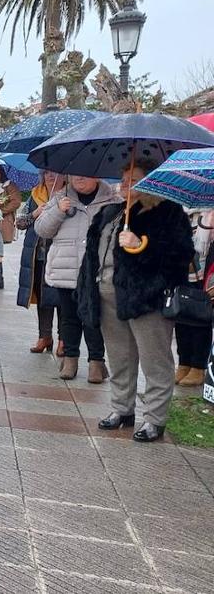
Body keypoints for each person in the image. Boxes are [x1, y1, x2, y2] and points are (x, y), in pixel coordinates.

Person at [81, 161, 193, 442]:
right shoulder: (111, 212)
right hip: (108, 296)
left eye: (133, 179)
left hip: (146, 299)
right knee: (120, 358)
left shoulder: (168, 213)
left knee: (155, 360)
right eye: (123, 179)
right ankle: (122, 409)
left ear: (151, 182)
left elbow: (180, 256)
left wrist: (142, 245)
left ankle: (155, 418)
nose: (124, 184)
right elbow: (93, 255)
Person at [34, 174, 121, 382]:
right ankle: (70, 360)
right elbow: (42, 230)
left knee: (94, 318)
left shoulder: (113, 201)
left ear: (97, 176)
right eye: (75, 175)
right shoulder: (59, 198)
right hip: (66, 268)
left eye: (85, 174)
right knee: (68, 317)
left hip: (96, 270)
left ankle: (96, 363)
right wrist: (57, 211)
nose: (79, 178)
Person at [15, 172, 66, 353]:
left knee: (61, 298)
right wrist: (35, 213)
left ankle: (64, 339)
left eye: (55, 172)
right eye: (46, 173)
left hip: (60, 255)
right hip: (36, 255)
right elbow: (19, 223)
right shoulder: (35, 195)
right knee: (43, 297)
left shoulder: (70, 196)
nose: (51, 176)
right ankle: (44, 336)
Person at [175, 208, 214, 387]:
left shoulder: (210, 213)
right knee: (181, 317)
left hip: (206, 275)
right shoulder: (182, 211)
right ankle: (183, 363)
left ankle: (198, 366)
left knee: (200, 319)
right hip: (182, 271)